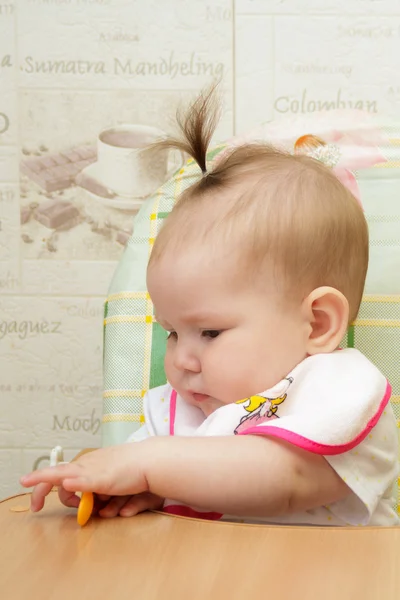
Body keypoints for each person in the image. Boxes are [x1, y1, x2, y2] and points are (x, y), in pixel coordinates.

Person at [21, 88, 399, 526]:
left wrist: (149, 467)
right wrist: (132, 487)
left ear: (316, 323)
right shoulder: (181, 411)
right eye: (172, 332)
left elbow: (287, 478)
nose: (180, 359)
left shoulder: (341, 393)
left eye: (210, 333)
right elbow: (163, 475)